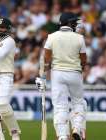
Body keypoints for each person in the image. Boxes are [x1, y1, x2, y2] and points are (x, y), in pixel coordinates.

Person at [36, 12, 87, 140]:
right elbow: (84, 60)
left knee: (60, 106)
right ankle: (76, 128)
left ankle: (63, 136)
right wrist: (80, 69)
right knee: (78, 103)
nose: (76, 24)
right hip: (75, 72)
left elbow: (46, 60)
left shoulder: (51, 37)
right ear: (69, 23)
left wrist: (42, 76)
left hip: (57, 74)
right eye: (74, 22)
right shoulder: (79, 38)